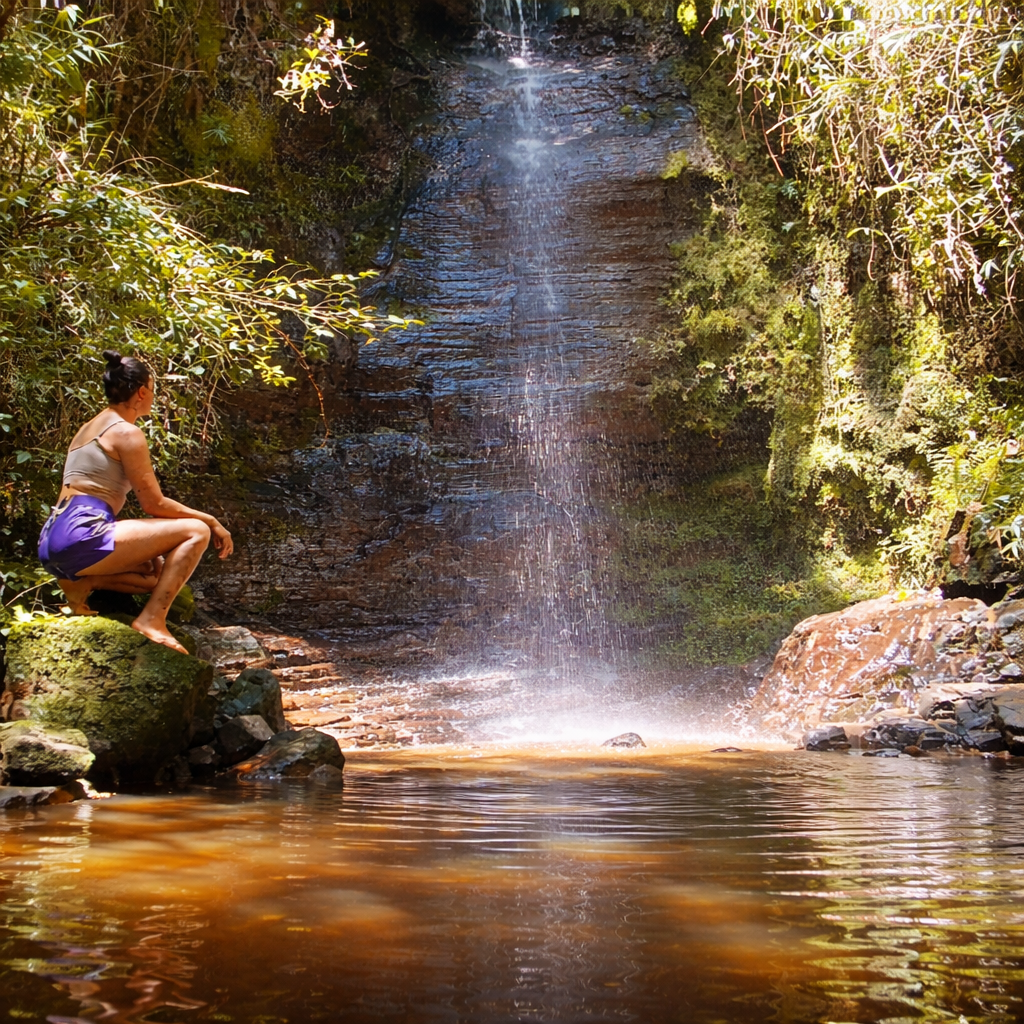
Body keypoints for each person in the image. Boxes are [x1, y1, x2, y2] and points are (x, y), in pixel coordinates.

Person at [38, 350, 233, 654]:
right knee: (197, 531)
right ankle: (152, 620)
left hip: (52, 538)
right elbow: (154, 504)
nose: (153, 396)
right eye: (153, 390)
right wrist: (211, 520)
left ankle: (82, 583)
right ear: (142, 392)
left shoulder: (90, 427)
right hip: (82, 532)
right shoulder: (126, 432)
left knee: (154, 574)